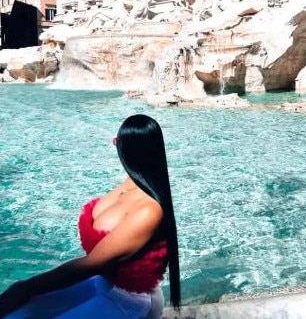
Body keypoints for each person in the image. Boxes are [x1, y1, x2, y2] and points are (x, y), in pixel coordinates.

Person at [0, 114, 180, 318]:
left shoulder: (149, 211)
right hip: (103, 283)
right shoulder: (128, 185)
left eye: (117, 142)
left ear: (125, 149)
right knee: (17, 313)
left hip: (131, 300)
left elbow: (91, 264)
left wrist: (27, 286)